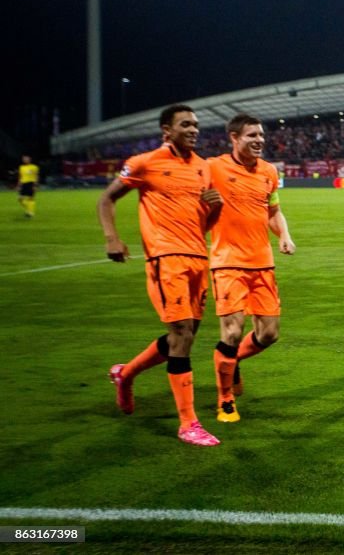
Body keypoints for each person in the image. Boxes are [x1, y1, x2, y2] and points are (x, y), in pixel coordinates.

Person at [100, 104, 223, 446]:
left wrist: (216, 209)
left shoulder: (202, 168)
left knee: (181, 340)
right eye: (186, 124)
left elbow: (204, 225)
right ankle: (188, 423)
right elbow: (106, 200)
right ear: (166, 130)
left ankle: (125, 374)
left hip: (198, 256)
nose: (194, 130)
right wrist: (112, 237)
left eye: (196, 124)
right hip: (165, 258)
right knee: (181, 334)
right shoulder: (144, 163)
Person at [207, 113, 296, 423]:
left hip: (262, 263)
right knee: (231, 331)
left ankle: (231, 361)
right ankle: (225, 400)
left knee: (269, 334)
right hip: (227, 262)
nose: (259, 140)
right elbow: (194, 202)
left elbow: (274, 211)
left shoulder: (269, 172)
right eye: (251, 136)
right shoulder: (213, 168)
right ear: (234, 138)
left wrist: (283, 235)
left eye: (261, 135)